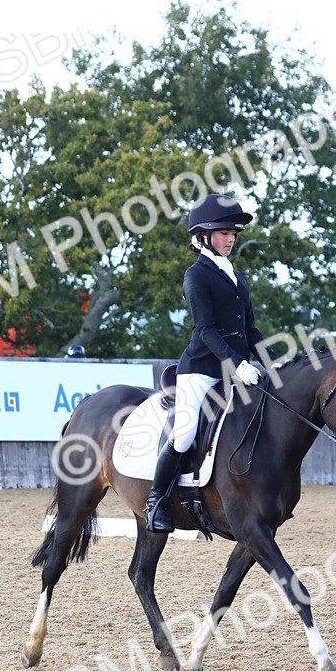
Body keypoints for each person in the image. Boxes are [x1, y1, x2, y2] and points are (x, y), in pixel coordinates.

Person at [144, 193, 266, 532]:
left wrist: (273, 362)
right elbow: (206, 330)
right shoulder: (196, 276)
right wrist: (238, 364)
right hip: (201, 370)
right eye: (224, 233)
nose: (230, 239)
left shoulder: (237, 277)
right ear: (203, 237)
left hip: (234, 373)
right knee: (183, 437)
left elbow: (250, 329)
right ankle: (155, 501)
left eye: (233, 234)